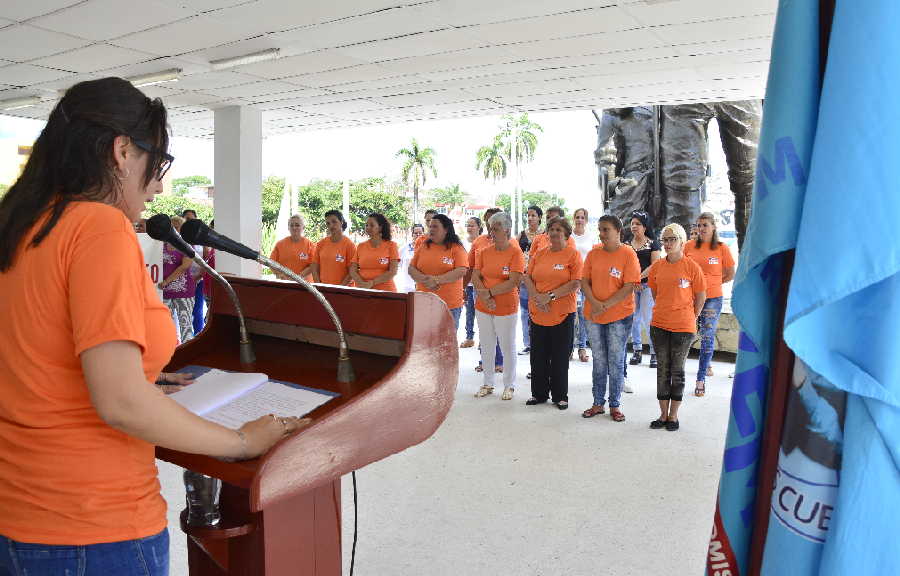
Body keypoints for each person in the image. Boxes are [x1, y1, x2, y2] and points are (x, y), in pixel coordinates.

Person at [0, 77, 306, 575]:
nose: (159, 185)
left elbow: (32, 353)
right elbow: (120, 404)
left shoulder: (22, 225)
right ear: (122, 151)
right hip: (90, 526)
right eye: (158, 164)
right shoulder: (98, 227)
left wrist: (137, 374)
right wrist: (242, 443)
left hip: (17, 510)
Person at [580, 215, 641, 422]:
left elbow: (629, 286)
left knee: (615, 360)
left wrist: (605, 305)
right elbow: (584, 281)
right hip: (593, 315)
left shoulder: (628, 254)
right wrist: (596, 304)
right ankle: (598, 403)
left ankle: (615, 405)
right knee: (599, 360)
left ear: (618, 232)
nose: (601, 233)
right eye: (600, 229)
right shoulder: (593, 253)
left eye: (606, 229)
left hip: (619, 316)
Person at [647, 223, 707, 431]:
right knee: (662, 369)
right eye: (665, 239)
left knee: (677, 370)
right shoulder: (657, 267)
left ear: (682, 241)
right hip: (659, 324)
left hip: (683, 326)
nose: (668, 243)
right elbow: (655, 293)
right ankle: (663, 414)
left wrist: (693, 316)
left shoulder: (692, 267)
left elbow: (701, 295)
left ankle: (674, 416)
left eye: (672, 239)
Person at [524, 217, 583, 410]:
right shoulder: (540, 254)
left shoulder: (573, 255)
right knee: (538, 356)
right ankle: (539, 394)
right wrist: (536, 298)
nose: (555, 232)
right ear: (547, 233)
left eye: (559, 229)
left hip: (562, 313)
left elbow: (575, 283)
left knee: (559, 356)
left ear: (566, 233)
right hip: (538, 312)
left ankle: (560, 396)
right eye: (552, 229)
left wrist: (549, 296)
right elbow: (527, 277)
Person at [472, 212, 525, 401]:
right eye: (490, 228)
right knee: (486, 345)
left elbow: (514, 281)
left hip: (506, 307)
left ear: (507, 230)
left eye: (495, 229)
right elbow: (475, 275)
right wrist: (484, 295)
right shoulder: (484, 251)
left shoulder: (515, 252)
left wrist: (489, 293)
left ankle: (509, 385)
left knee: (507, 346)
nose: (491, 232)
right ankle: (488, 383)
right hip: (483, 306)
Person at [684, 211, 736, 396]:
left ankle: (700, 378)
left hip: (712, 299)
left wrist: (712, 283)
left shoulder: (722, 248)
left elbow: (730, 272)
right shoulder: (688, 246)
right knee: (685, 335)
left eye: (705, 225)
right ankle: (677, 375)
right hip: (688, 298)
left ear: (714, 227)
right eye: (699, 225)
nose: (701, 228)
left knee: (707, 337)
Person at [409, 214, 469, 330]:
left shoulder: (456, 248)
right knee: (424, 341)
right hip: (424, 303)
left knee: (446, 344)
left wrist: (436, 280)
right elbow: (411, 268)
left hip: (449, 305)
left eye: (435, 226)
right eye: (430, 226)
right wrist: (425, 280)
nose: (431, 229)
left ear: (446, 229)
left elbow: (461, 270)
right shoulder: (423, 246)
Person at [468, 208, 504, 373]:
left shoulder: (509, 242)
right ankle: (485, 360)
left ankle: (499, 361)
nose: (491, 226)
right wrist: (464, 288)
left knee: (500, 328)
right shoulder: (479, 242)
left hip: (501, 291)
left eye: (494, 222)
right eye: (488, 221)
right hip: (480, 290)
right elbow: (470, 267)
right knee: (485, 327)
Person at [628, 210, 662, 369]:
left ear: (645, 226)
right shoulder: (627, 244)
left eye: (638, 224)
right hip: (632, 287)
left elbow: (655, 265)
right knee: (634, 319)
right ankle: (637, 350)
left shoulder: (653, 243)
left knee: (649, 318)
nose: (634, 226)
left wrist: (639, 277)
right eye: (632, 223)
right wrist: (632, 281)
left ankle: (654, 353)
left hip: (648, 286)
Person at [160, 215, 197, 343]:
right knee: (166, 326)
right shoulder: (161, 244)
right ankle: (170, 353)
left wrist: (166, 281)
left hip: (184, 292)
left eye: (177, 227)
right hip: (164, 292)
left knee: (185, 325)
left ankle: (187, 355)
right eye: (172, 227)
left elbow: (184, 266)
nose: (174, 230)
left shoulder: (187, 245)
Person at [350, 213, 400, 291]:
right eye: (366, 225)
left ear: (380, 227)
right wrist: (361, 283)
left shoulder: (392, 245)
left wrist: (371, 283)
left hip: (385, 292)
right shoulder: (360, 246)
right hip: (362, 290)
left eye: (372, 225)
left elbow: (393, 271)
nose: (368, 227)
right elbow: (352, 269)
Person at [517, 205, 542, 355]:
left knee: (537, 310)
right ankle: (527, 343)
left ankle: (538, 342)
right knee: (525, 311)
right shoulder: (521, 235)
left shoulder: (545, 235)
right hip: (524, 277)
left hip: (538, 278)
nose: (530, 218)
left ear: (539, 217)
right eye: (528, 215)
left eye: (533, 215)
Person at [571, 207, 594, 363]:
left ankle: (582, 347)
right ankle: (569, 348)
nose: (579, 220)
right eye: (577, 217)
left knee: (584, 315)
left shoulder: (591, 237)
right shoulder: (569, 236)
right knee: (571, 316)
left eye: (582, 217)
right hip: (572, 281)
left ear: (586, 220)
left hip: (586, 281)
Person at [312, 210, 356, 286]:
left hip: (343, 291)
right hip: (324, 290)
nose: (331, 225)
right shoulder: (321, 244)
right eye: (328, 223)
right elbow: (314, 267)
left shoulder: (349, 245)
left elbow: (352, 272)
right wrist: (319, 286)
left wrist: (339, 289)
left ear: (341, 222)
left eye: (334, 221)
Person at [270, 214, 315, 282]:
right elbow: (271, 263)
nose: (294, 227)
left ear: (303, 227)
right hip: (285, 284)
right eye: (291, 225)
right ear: (288, 228)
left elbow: (313, 266)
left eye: (297, 225)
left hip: (305, 285)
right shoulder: (280, 244)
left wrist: (299, 276)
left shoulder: (310, 245)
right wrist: (279, 274)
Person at [461, 216, 483, 348]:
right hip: (467, 283)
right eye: (467, 225)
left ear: (479, 227)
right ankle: (469, 337)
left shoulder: (483, 242)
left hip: (481, 284)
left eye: (472, 225)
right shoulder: (462, 243)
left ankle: (483, 339)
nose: (469, 228)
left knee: (481, 314)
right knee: (469, 313)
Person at [397, 223, 424, 292]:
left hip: (423, 287)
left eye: (420, 233)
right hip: (407, 287)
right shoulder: (404, 248)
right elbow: (397, 265)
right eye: (416, 233)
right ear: (412, 234)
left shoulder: (429, 249)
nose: (418, 235)